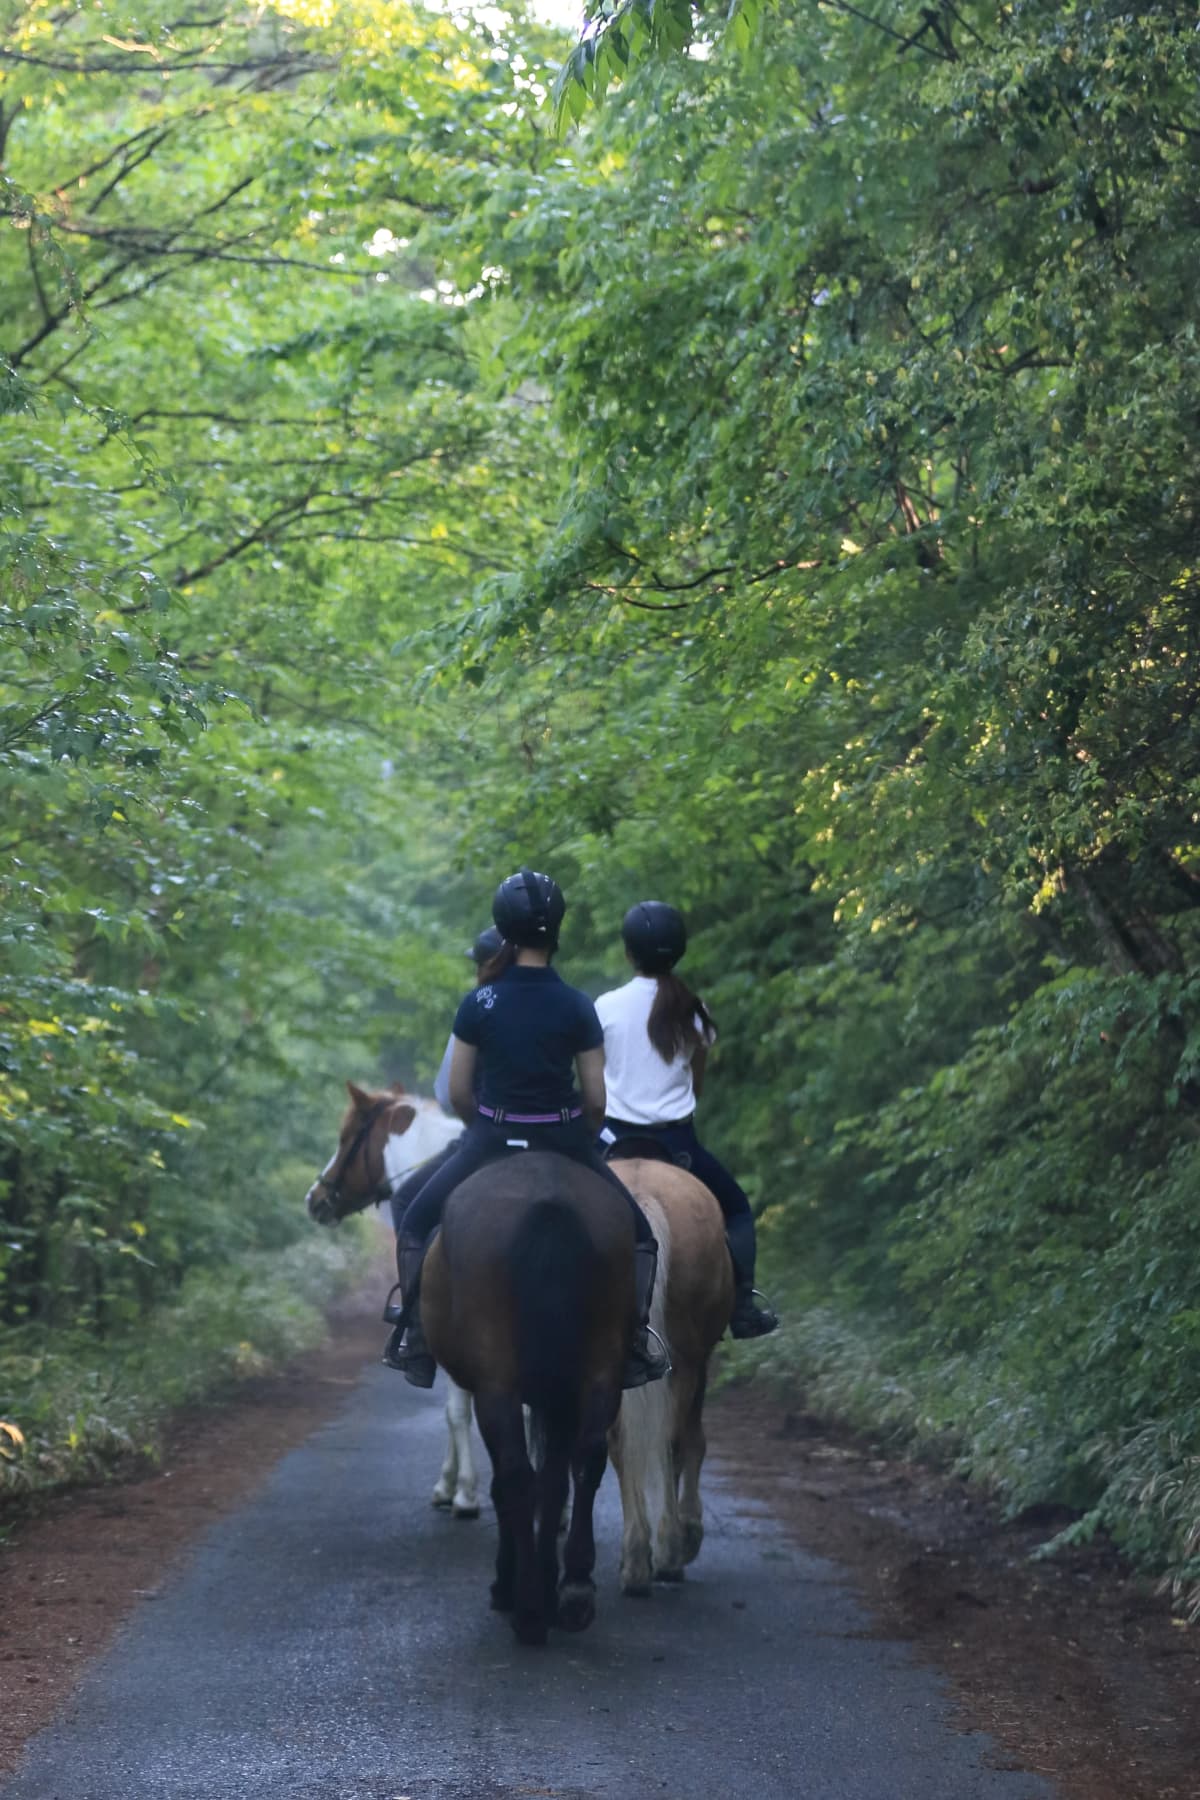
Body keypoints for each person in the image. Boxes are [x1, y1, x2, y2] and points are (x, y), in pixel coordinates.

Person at [385, 868, 670, 1392]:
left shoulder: (479, 1004)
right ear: (556, 928)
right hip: (562, 1140)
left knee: (411, 1213)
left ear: (504, 929)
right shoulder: (578, 1005)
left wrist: (487, 1127)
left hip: (490, 1138)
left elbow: (461, 1089)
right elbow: (596, 1101)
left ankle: (417, 1338)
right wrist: (575, 1133)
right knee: (642, 1236)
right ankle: (634, 1342)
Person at [596, 901, 779, 1339]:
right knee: (736, 1209)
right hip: (678, 1146)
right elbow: (695, 1088)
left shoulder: (604, 1007)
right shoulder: (694, 1010)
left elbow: (594, 1080)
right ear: (678, 952)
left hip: (611, 1140)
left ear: (628, 952)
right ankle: (743, 1307)